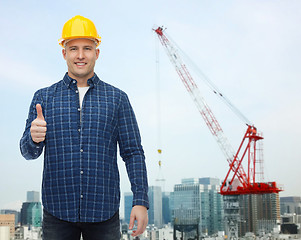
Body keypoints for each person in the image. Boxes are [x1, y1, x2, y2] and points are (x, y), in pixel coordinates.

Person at [20, 15, 149, 240]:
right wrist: (34, 138)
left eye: (87, 48)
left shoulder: (117, 99)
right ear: (64, 53)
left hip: (104, 213)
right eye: (73, 49)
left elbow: (133, 153)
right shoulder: (44, 98)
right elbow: (28, 152)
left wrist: (140, 200)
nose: (80, 55)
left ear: (97, 53)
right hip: (57, 211)